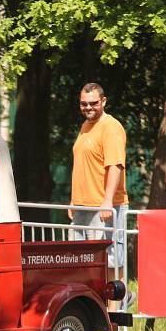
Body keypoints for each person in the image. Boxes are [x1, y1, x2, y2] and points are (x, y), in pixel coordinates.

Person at [69, 82, 129, 309]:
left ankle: (116, 313)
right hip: (83, 207)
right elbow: (82, 165)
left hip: (105, 206)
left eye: (93, 103)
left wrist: (107, 201)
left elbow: (115, 166)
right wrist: (74, 200)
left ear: (104, 101)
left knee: (113, 261)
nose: (88, 107)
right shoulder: (85, 126)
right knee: (81, 261)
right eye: (84, 104)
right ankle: (94, 307)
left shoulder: (111, 127)